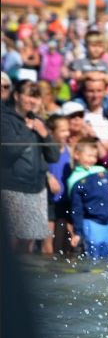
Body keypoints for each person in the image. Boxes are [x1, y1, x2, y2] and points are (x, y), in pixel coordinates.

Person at [0, 79, 60, 253]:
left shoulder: (39, 122)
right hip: (12, 188)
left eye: (36, 97)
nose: (32, 101)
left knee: (28, 242)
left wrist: (45, 135)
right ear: (17, 96)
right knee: (10, 242)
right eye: (28, 96)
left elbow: (53, 156)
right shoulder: (5, 119)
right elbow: (9, 152)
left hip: (37, 189)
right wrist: (28, 129)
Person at [43, 114, 73, 256]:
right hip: (49, 201)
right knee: (47, 241)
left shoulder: (69, 149)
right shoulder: (45, 150)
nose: (66, 134)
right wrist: (48, 177)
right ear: (51, 132)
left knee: (65, 241)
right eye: (62, 130)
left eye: (67, 130)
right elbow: (40, 168)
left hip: (65, 201)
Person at [73, 75, 108, 155]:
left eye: (99, 91)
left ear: (105, 91)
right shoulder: (76, 114)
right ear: (84, 92)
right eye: (90, 91)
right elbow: (73, 144)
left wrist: (95, 143)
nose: (95, 95)